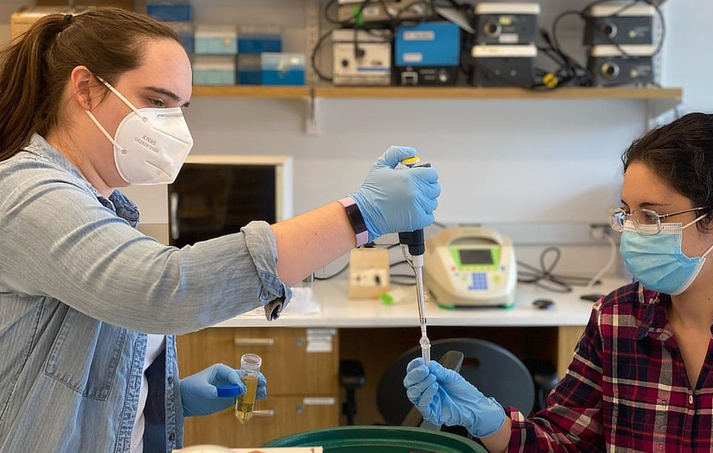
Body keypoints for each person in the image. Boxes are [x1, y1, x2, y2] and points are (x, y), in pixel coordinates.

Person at [0, 8, 440, 453]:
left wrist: (170, 399)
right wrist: (357, 216)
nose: (173, 127)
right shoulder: (27, 193)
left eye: (179, 108)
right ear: (86, 89)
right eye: (157, 102)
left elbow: (76, 371)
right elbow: (161, 288)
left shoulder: (102, 205)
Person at [405, 113, 713, 452]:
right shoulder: (617, 319)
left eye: (652, 216)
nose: (633, 231)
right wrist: (486, 419)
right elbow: (563, 442)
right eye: (628, 212)